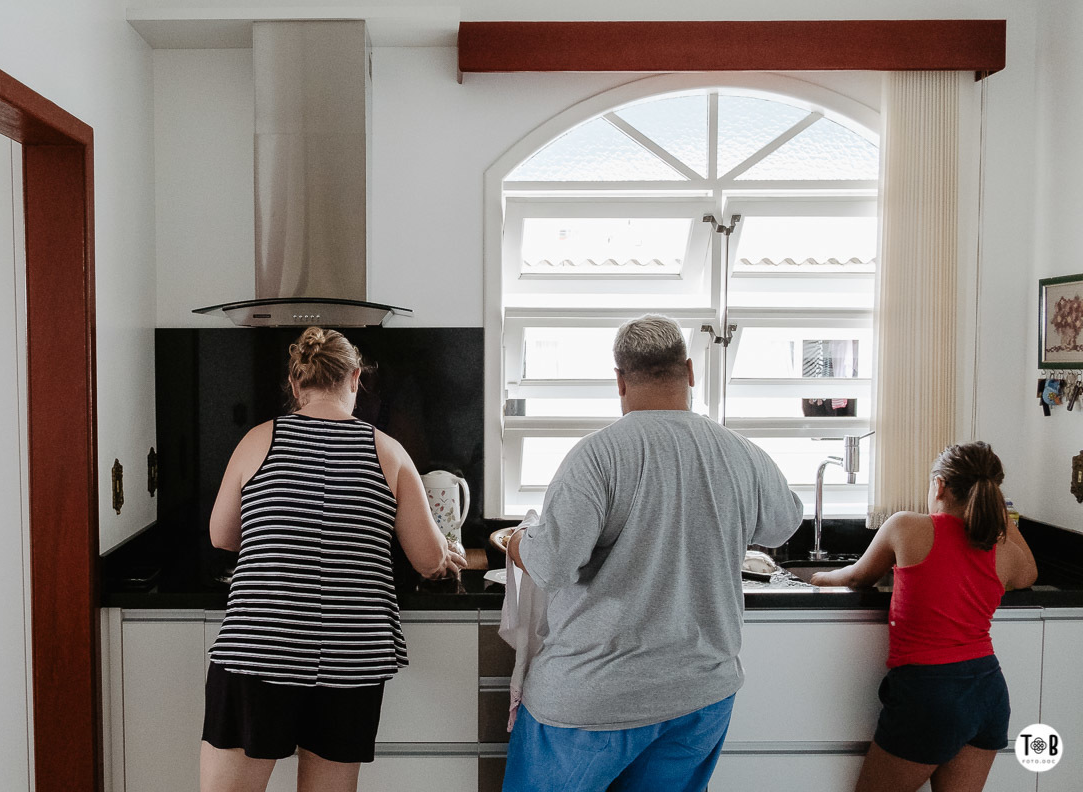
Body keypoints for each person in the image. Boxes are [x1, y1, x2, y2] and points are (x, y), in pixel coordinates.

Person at [504, 314, 805, 792]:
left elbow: (551, 564)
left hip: (592, 699)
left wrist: (516, 540)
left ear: (620, 381)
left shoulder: (597, 455)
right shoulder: (741, 452)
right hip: (698, 697)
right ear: (689, 371)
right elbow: (784, 522)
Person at [200, 326, 467, 792]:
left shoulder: (258, 440)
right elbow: (427, 559)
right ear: (356, 378)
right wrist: (444, 552)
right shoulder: (388, 451)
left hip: (262, 647)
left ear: (296, 382)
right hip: (351, 661)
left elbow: (222, 535)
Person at [810, 442, 1037, 792]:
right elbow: (1030, 573)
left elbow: (857, 577)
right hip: (988, 692)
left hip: (929, 694)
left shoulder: (906, 526)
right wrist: (998, 516)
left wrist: (816, 578)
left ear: (940, 485)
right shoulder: (1001, 550)